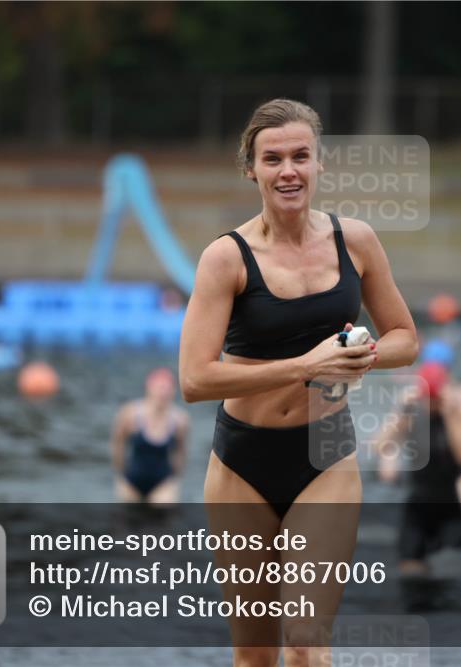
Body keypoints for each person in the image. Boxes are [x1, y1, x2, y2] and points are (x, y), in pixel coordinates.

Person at [178, 98, 418, 666]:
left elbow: (406, 339)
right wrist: (306, 366)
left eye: (301, 156)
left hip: (327, 452)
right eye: (273, 159)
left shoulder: (355, 241)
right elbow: (193, 378)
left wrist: (359, 357)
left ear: (319, 164)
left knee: (307, 642)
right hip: (242, 462)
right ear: (251, 169)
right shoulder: (226, 258)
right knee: (255, 655)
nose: (289, 171)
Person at [377, 362, 461, 573]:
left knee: (452, 566)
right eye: (428, 399)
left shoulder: (456, 415)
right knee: (410, 568)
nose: (432, 404)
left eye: (435, 399)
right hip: (418, 503)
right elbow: (381, 445)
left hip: (449, 504)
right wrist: (401, 411)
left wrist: (451, 414)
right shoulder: (412, 413)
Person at [110, 368, 189, 503]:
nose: (163, 393)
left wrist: (175, 479)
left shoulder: (180, 420)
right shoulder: (129, 413)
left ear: (173, 392)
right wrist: (120, 474)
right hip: (132, 480)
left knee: (166, 509)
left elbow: (181, 452)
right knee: (126, 513)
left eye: (167, 389)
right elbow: (118, 444)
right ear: (149, 388)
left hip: (162, 482)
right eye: (160, 388)